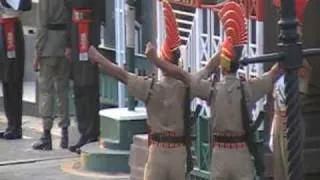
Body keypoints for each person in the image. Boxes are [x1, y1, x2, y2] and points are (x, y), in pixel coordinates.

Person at [145, 2, 283, 179]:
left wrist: (156, 60)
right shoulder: (248, 87)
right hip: (241, 151)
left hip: (220, 151)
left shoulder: (212, 90)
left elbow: (184, 75)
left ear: (223, 66)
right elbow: (274, 73)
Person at [87, 2, 220, 179]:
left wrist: (99, 58)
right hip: (178, 152)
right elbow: (208, 69)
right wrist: (227, 46)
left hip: (157, 151)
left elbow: (122, 75)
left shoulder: (150, 87)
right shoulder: (187, 86)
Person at [270, 0, 311, 179]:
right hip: (279, 120)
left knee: (290, 169)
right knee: (279, 170)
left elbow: (298, 96)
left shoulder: (303, 68)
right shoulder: (279, 66)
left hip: (290, 121)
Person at [32, 0, 70, 150]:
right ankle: (65, 133)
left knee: (46, 91)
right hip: (63, 46)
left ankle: (46, 135)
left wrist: (37, 53)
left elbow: (42, 26)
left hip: (48, 47)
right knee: (63, 90)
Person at [64, 0, 101, 153]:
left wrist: (95, 44)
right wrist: (67, 44)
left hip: (89, 35)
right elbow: (67, 14)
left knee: (89, 87)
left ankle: (91, 133)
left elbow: (98, 14)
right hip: (75, 35)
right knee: (78, 87)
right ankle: (83, 130)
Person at [0, 1, 29, 140]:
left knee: (13, 80)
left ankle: (16, 126)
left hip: (11, 28)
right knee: (5, 80)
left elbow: (25, 5)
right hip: (2, 27)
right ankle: (10, 123)